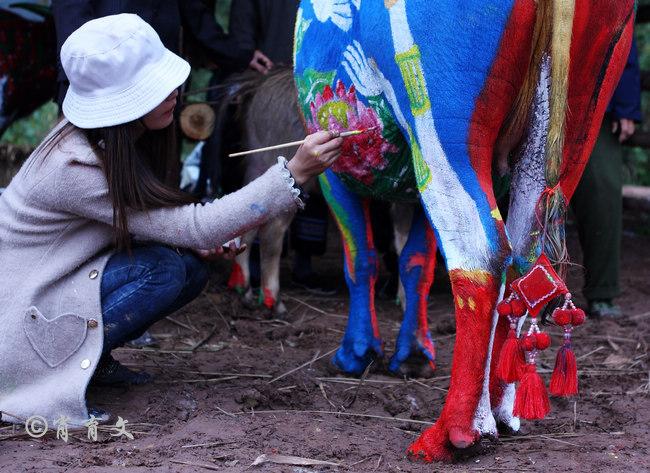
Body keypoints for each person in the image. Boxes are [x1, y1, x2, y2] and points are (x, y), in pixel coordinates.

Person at [0, 14, 342, 426]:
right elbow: (193, 224)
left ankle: (94, 361)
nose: (175, 92)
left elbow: (148, 226)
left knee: (186, 267)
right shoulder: (72, 167)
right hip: (18, 322)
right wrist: (294, 173)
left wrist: (192, 241)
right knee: (164, 268)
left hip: (51, 285)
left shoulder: (111, 142)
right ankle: (54, 369)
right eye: (156, 86)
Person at [51, 0, 253, 108]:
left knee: (156, 178)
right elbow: (74, 33)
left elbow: (196, 16)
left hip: (159, 92)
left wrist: (241, 56)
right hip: (97, 92)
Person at [571, 37, 642, 318]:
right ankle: (523, 292)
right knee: (522, 196)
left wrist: (625, 105)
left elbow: (623, 35)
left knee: (603, 191)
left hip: (596, 100)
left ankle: (602, 292)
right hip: (533, 97)